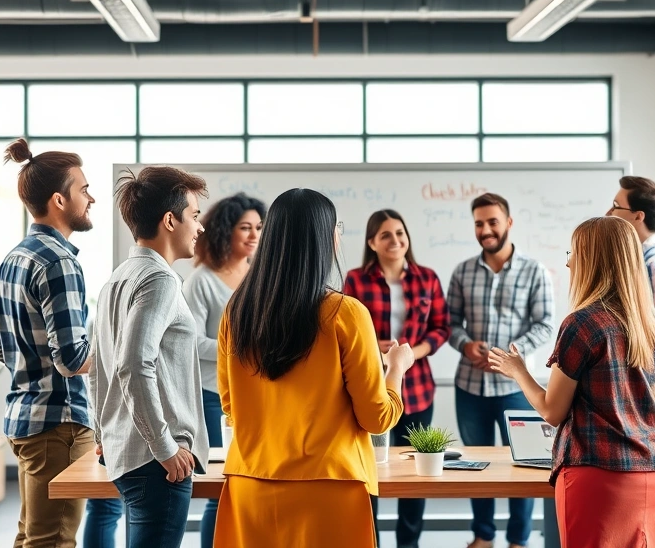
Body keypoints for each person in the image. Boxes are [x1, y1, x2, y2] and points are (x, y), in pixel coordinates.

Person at [213, 188, 415, 548]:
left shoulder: (237, 311)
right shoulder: (345, 313)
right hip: (329, 490)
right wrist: (396, 369)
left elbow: (230, 407)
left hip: (250, 484)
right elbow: (376, 418)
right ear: (325, 237)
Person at [487, 216, 655, 547]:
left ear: (592, 259)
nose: (568, 261)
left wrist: (517, 370)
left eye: (574, 252)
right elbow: (654, 410)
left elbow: (552, 411)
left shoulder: (582, 324)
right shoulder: (653, 328)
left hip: (600, 480)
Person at [89, 166, 212, 548]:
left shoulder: (118, 277)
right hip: (156, 462)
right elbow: (131, 363)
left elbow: (98, 367)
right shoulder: (159, 280)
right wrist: (165, 447)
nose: (200, 227)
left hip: (134, 454)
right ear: (170, 220)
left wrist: (101, 431)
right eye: (194, 216)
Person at [0, 138, 100, 548]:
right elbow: (72, 359)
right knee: (52, 541)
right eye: (83, 190)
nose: (91, 198)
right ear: (59, 199)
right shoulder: (60, 262)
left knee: (31, 538)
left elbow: (3, 348)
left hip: (24, 418)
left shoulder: (15, 257)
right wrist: (120, 350)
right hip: (59, 425)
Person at [447, 192, 554, 548]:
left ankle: (519, 540)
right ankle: (483, 536)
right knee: (476, 464)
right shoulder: (462, 271)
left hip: (516, 389)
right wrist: (465, 344)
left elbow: (545, 325)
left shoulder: (535, 270)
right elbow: (450, 323)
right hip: (470, 387)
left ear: (508, 223)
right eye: (479, 223)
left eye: (493, 221)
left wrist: (511, 354)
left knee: (525, 466)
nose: (486, 229)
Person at [343, 209, 450, 548]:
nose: (395, 240)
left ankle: (409, 542)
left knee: (415, 474)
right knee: (368, 470)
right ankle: (368, 539)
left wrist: (409, 355)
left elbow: (442, 327)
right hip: (368, 388)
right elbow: (345, 331)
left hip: (417, 391)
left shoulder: (427, 278)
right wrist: (375, 349)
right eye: (386, 235)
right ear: (372, 242)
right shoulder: (355, 280)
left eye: (400, 233)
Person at [182, 192, 267, 548]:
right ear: (223, 232)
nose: (254, 235)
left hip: (258, 394)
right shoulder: (201, 281)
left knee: (250, 484)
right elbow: (189, 342)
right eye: (244, 228)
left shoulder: (260, 275)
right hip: (215, 395)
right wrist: (238, 350)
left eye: (259, 228)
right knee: (222, 487)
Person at [606, 175, 655, 321]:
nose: (609, 212)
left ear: (638, 217)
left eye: (616, 206)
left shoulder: (654, 264)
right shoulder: (636, 258)